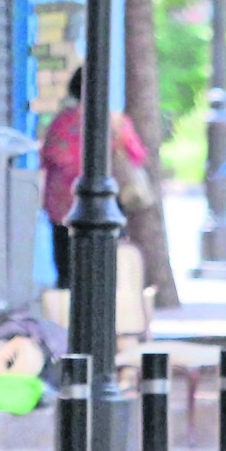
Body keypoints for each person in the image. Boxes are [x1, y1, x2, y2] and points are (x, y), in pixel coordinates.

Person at [40, 67, 147, 289]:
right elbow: (137, 155)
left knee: (67, 270)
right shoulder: (116, 122)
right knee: (103, 269)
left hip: (63, 208)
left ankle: (67, 314)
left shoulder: (62, 122)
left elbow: (49, 157)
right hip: (106, 207)